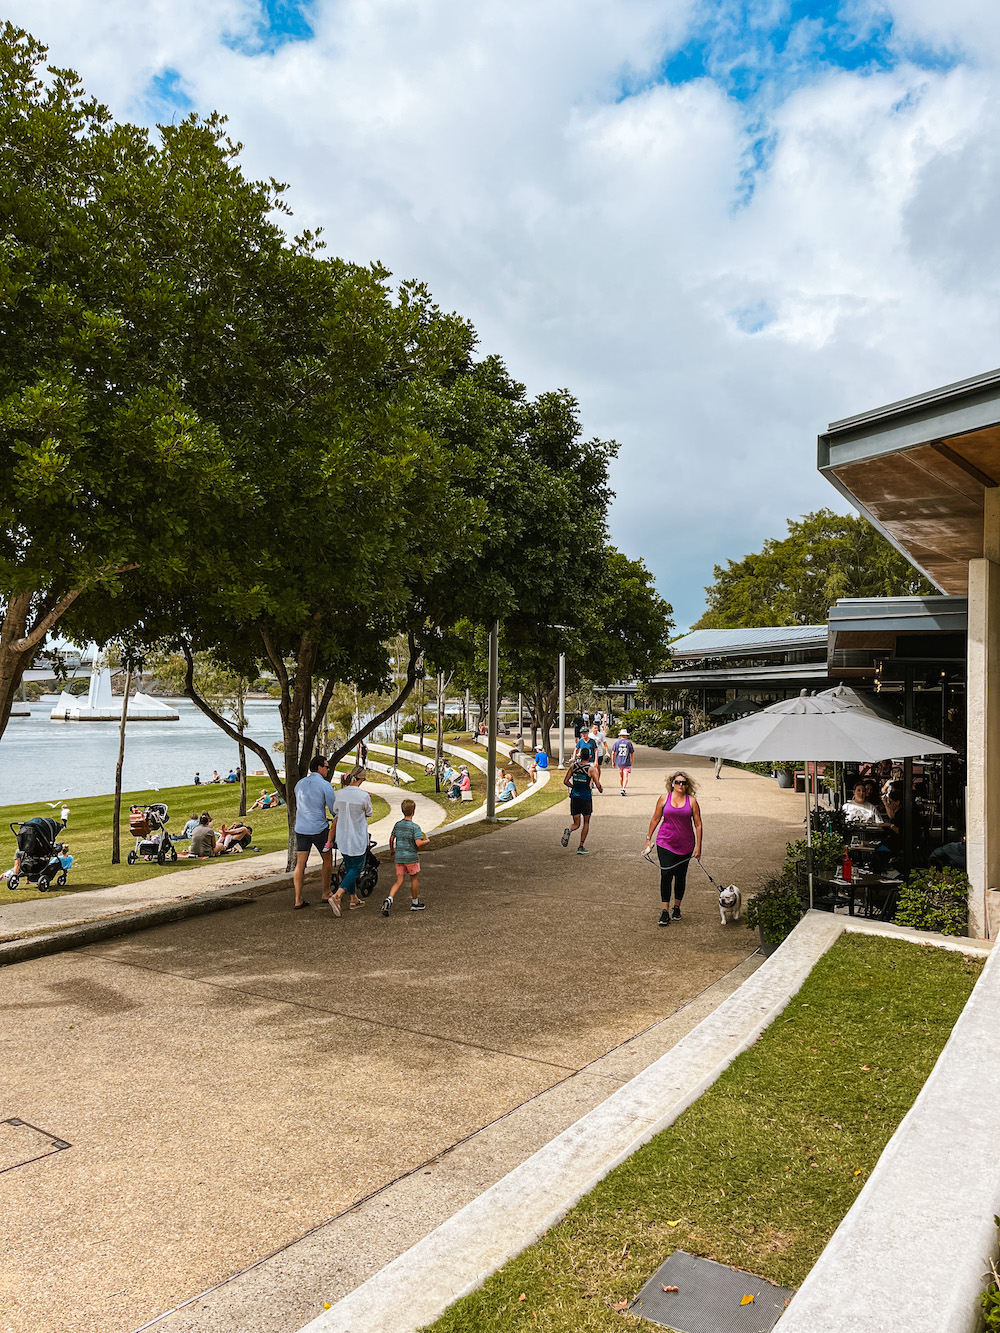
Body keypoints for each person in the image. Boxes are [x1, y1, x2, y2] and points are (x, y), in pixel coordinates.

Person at [644, 771, 703, 925]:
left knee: (680, 876)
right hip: (665, 842)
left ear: (687, 785)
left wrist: (698, 846)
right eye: (677, 782)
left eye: (683, 783)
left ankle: (677, 907)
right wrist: (648, 839)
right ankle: (664, 911)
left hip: (686, 845)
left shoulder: (692, 801)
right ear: (672, 784)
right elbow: (655, 818)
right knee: (666, 874)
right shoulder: (664, 798)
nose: (680, 785)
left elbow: (698, 824)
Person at [292, 755, 338, 911]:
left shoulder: (299, 784)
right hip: (319, 828)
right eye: (326, 766)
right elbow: (333, 809)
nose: (327, 769)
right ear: (319, 768)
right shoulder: (325, 785)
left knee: (301, 863)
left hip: (301, 828)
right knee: (327, 859)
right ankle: (325, 892)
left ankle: (298, 898)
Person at [328, 766, 372, 913]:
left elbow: (335, 811)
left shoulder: (340, 793)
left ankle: (353, 898)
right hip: (357, 835)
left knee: (349, 867)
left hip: (343, 835)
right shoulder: (363, 796)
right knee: (357, 868)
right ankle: (338, 895)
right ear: (361, 779)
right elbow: (368, 812)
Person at [383, 798, 429, 914]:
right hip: (411, 857)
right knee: (414, 878)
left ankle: (389, 898)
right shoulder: (415, 827)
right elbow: (418, 843)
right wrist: (427, 841)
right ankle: (414, 903)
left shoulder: (397, 825)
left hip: (399, 857)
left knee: (399, 881)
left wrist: (392, 850)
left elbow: (391, 838)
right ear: (413, 811)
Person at [561, 752, 602, 854]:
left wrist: (573, 787)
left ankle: (569, 829)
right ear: (590, 757)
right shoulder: (591, 769)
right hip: (586, 797)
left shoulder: (573, 766)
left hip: (575, 797)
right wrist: (600, 789)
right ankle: (581, 846)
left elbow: (565, 781)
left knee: (576, 823)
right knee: (586, 822)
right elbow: (597, 784)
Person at [612, 729, 635, 795]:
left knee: (621, 776)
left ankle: (622, 787)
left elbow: (613, 753)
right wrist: (632, 760)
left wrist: (613, 761)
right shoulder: (628, 743)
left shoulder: (616, 743)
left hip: (619, 761)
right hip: (626, 761)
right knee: (626, 775)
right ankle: (623, 788)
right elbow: (632, 753)